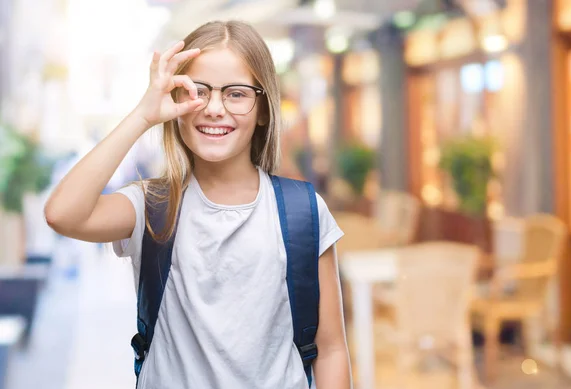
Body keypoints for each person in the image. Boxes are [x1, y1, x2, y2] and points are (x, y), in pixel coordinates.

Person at [44, 20, 352, 389]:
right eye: (198, 91)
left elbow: (331, 348)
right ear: (175, 102)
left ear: (264, 109)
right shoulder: (152, 206)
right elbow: (62, 214)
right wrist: (142, 115)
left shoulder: (303, 211)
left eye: (236, 94)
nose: (214, 109)